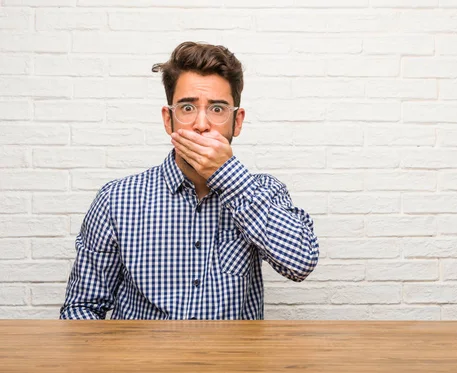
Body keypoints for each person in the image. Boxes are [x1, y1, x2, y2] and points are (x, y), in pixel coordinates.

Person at [59, 41, 319, 320]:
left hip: (228, 362)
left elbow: (300, 263)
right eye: (187, 108)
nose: (201, 124)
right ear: (168, 120)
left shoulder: (264, 192)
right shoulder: (117, 199)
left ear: (238, 122)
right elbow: (81, 307)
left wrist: (228, 175)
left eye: (218, 109)